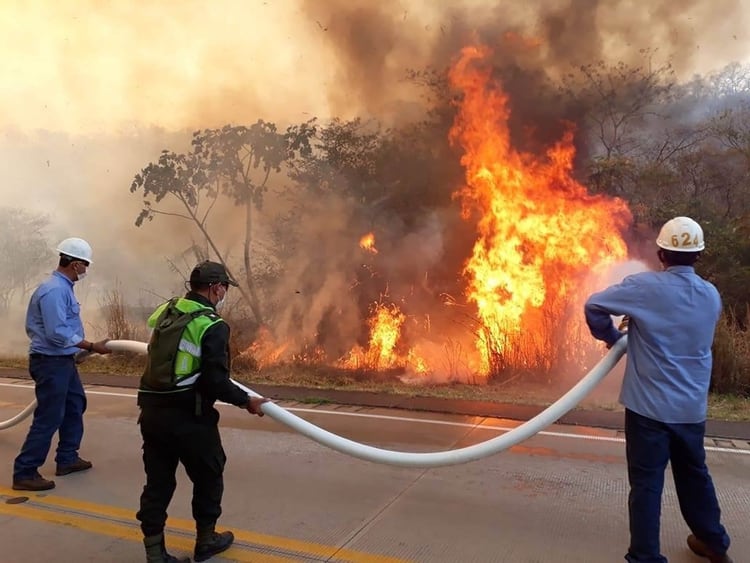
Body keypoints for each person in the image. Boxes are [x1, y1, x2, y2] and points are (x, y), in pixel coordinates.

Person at [584, 217, 733, 563]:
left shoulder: (644, 288)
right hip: (690, 410)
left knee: (647, 485)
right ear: (699, 255)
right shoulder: (711, 296)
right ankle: (714, 543)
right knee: (695, 475)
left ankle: (645, 557)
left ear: (661, 252)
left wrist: (612, 337)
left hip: (648, 411)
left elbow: (594, 305)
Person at [136, 260, 270, 563]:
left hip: (152, 413)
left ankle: (155, 554)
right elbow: (215, 381)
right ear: (214, 287)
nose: (224, 293)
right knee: (210, 475)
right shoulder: (212, 325)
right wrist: (247, 400)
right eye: (223, 287)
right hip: (189, 417)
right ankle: (206, 540)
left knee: (158, 483)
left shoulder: (168, 310)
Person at [12, 237, 111, 491]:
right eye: (85, 265)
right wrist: (90, 346)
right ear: (76, 264)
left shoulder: (64, 288)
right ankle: (25, 472)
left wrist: (75, 353)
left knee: (74, 405)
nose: (86, 270)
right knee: (49, 416)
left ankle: (67, 458)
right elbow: (57, 332)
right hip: (50, 363)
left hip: (62, 361)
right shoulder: (55, 290)